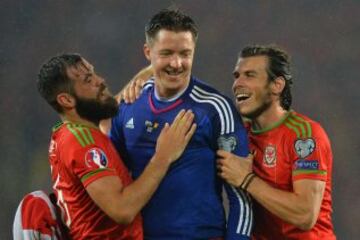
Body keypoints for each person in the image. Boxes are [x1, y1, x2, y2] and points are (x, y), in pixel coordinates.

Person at [109, 9, 252, 239]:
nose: (176, 64)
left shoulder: (215, 109)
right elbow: (111, 183)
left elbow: (242, 199)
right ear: (148, 52)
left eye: (185, 54)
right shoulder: (129, 105)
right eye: (166, 53)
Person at [36, 53, 196, 239]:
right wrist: (163, 156)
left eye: (94, 73)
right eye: (89, 80)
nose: (100, 81)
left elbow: (113, 109)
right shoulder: (84, 143)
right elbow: (123, 209)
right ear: (67, 100)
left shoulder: (73, 132)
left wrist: (150, 71)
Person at [217, 45, 336, 239]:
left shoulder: (304, 134)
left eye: (250, 75)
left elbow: (305, 215)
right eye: (236, 75)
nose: (238, 83)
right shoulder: (238, 137)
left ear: (276, 86)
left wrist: (247, 180)